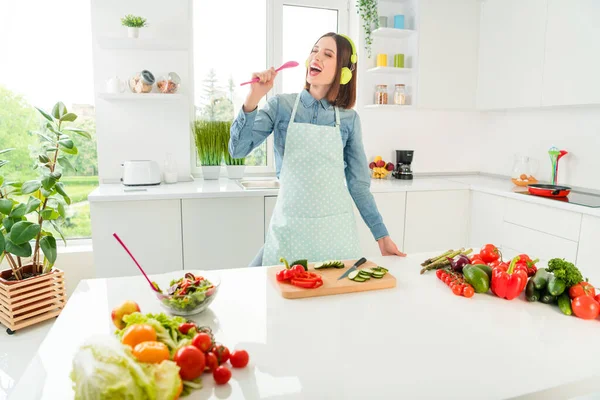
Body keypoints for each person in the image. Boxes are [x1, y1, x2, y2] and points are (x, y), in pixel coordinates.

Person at [229, 32, 406, 267]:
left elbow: (358, 185)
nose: (317, 56)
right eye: (314, 50)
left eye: (327, 54)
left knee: (334, 299)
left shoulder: (349, 119)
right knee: (268, 292)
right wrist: (254, 97)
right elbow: (237, 150)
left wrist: (381, 236)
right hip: (290, 228)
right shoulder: (281, 106)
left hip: (335, 233)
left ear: (343, 72)